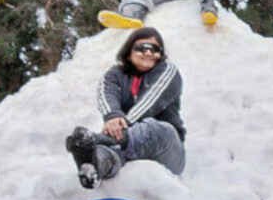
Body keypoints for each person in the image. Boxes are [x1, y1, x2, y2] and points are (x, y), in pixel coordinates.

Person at [66, 27, 185, 188]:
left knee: (158, 129)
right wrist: (112, 116)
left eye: (155, 49)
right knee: (108, 152)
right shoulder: (114, 75)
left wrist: (120, 125)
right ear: (129, 50)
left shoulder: (167, 71)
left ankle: (99, 140)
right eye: (142, 47)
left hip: (166, 149)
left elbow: (149, 102)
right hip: (125, 144)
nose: (149, 53)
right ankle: (96, 166)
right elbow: (106, 94)